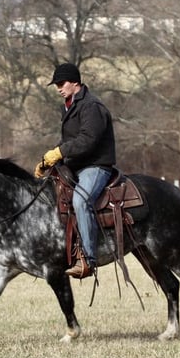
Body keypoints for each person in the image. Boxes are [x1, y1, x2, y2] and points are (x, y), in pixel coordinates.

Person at [35, 62, 116, 279]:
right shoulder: (68, 105)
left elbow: (87, 141)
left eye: (62, 83)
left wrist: (58, 152)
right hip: (76, 165)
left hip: (96, 165)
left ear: (75, 82)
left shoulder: (92, 106)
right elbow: (68, 141)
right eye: (56, 84)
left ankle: (88, 260)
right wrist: (48, 162)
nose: (58, 88)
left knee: (81, 201)